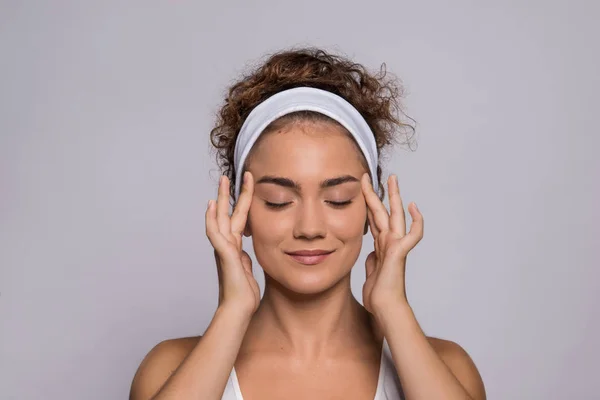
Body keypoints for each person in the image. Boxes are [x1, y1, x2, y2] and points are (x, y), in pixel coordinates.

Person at [129, 47, 486, 400]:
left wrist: (393, 308)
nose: (310, 227)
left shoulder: (447, 368)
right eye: (278, 201)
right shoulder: (169, 370)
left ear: (370, 210)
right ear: (242, 212)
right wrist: (232, 312)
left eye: (338, 199)